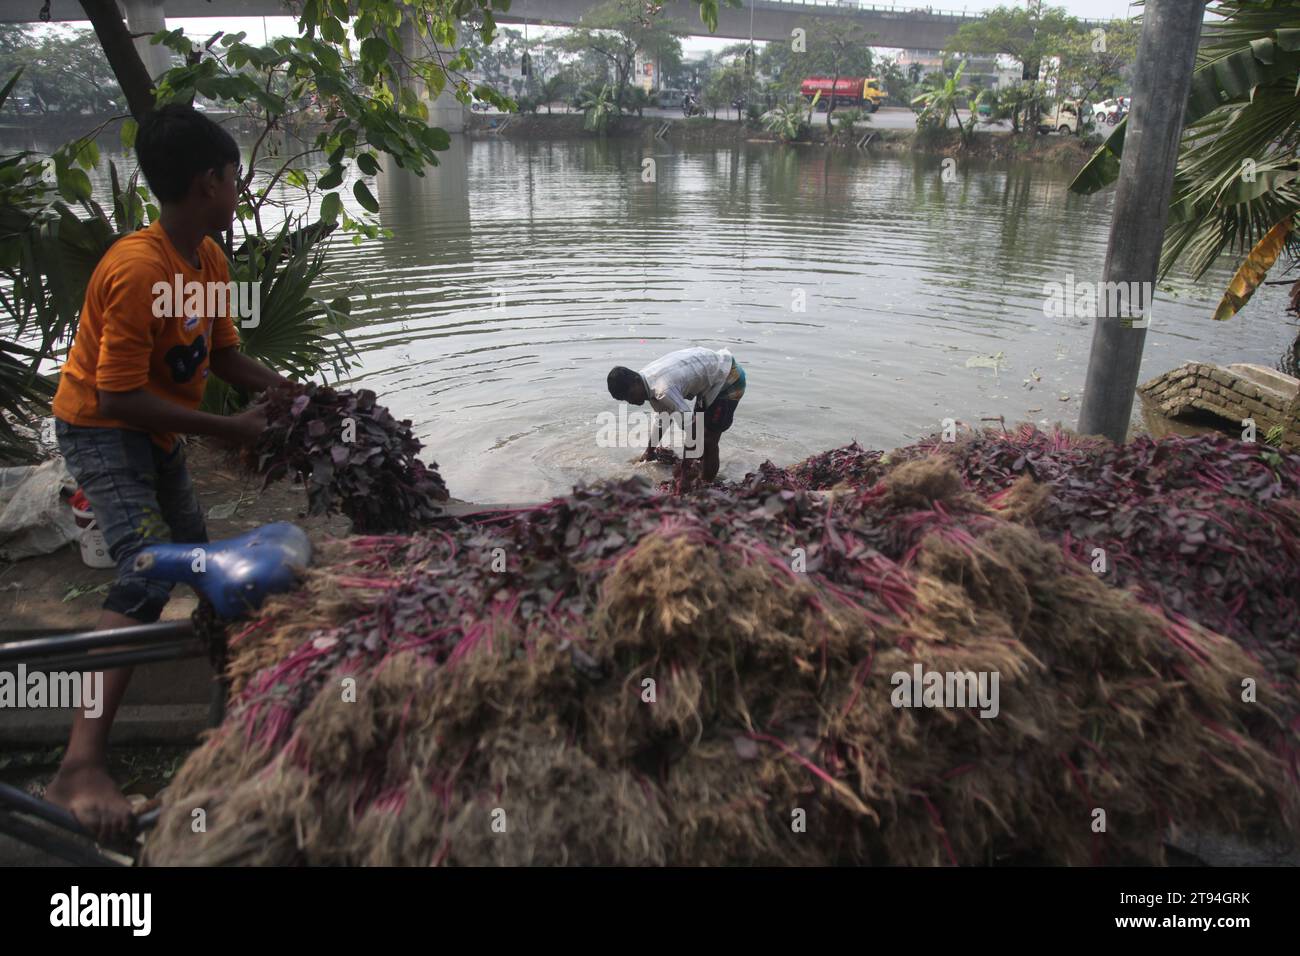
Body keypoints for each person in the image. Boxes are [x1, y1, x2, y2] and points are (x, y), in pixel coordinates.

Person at [45, 104, 289, 841]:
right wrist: (230, 427)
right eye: (234, 175)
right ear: (206, 182)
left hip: (155, 430)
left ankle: (236, 717)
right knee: (149, 571)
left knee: (202, 565)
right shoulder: (137, 268)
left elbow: (222, 359)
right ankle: (77, 767)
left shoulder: (206, 259)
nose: (241, 188)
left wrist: (297, 399)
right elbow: (116, 394)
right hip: (104, 428)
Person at [606, 347, 746, 490]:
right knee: (699, 441)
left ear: (636, 381)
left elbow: (693, 432)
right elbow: (664, 418)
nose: (630, 401)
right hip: (709, 381)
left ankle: (706, 487)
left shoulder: (663, 390)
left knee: (708, 439)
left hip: (729, 378)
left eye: (629, 394)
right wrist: (649, 451)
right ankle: (702, 475)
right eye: (625, 399)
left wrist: (684, 473)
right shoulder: (646, 380)